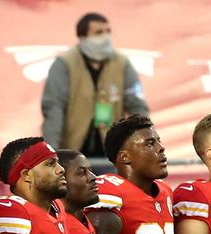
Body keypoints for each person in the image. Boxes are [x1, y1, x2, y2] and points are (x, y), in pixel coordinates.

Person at [41, 12, 149, 157]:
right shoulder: (65, 64)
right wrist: (51, 153)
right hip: (73, 153)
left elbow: (136, 105)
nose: (105, 37)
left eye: (108, 31)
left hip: (111, 154)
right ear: (82, 37)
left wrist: (144, 144)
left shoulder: (122, 64)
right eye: (98, 33)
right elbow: (54, 109)